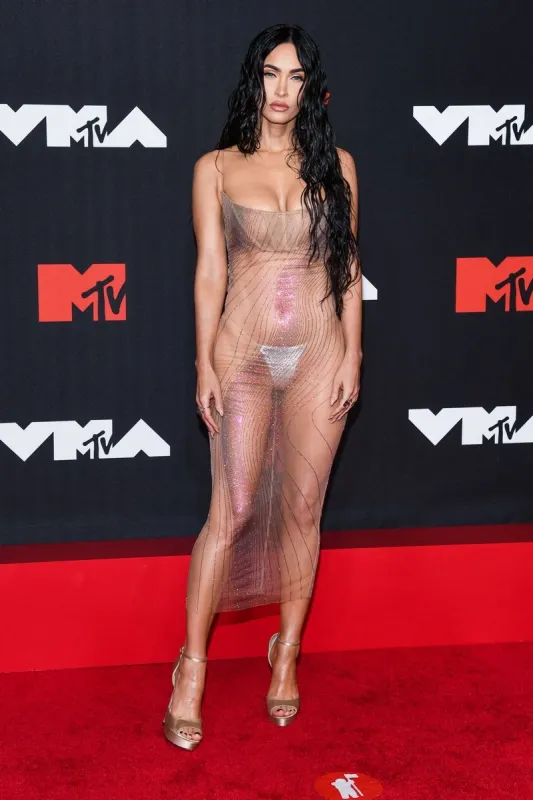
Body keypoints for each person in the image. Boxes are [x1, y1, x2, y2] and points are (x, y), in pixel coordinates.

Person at [163, 22, 362, 751]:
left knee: (304, 510)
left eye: (296, 77)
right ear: (254, 80)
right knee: (234, 508)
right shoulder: (215, 167)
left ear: (311, 89)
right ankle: (190, 668)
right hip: (242, 355)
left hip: (319, 354)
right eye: (272, 74)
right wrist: (203, 363)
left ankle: (286, 656)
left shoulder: (337, 167)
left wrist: (354, 355)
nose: (282, 90)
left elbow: (347, 267)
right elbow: (210, 272)